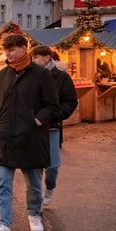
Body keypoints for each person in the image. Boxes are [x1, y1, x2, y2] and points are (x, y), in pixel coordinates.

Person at [0, 34, 59, 231]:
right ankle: (3, 225)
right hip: (5, 137)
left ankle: (34, 214)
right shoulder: (2, 75)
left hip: (31, 137)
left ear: (23, 48)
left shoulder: (41, 75)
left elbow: (52, 106)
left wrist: (37, 121)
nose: (7, 53)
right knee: (2, 184)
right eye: (5, 50)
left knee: (34, 183)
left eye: (11, 49)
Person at [30, 45, 79, 208]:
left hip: (52, 127)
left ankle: (49, 189)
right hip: (34, 127)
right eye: (33, 57)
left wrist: (57, 115)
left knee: (52, 167)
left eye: (37, 57)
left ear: (47, 58)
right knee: (35, 166)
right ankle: (36, 200)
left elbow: (71, 101)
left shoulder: (61, 77)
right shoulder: (30, 76)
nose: (34, 60)